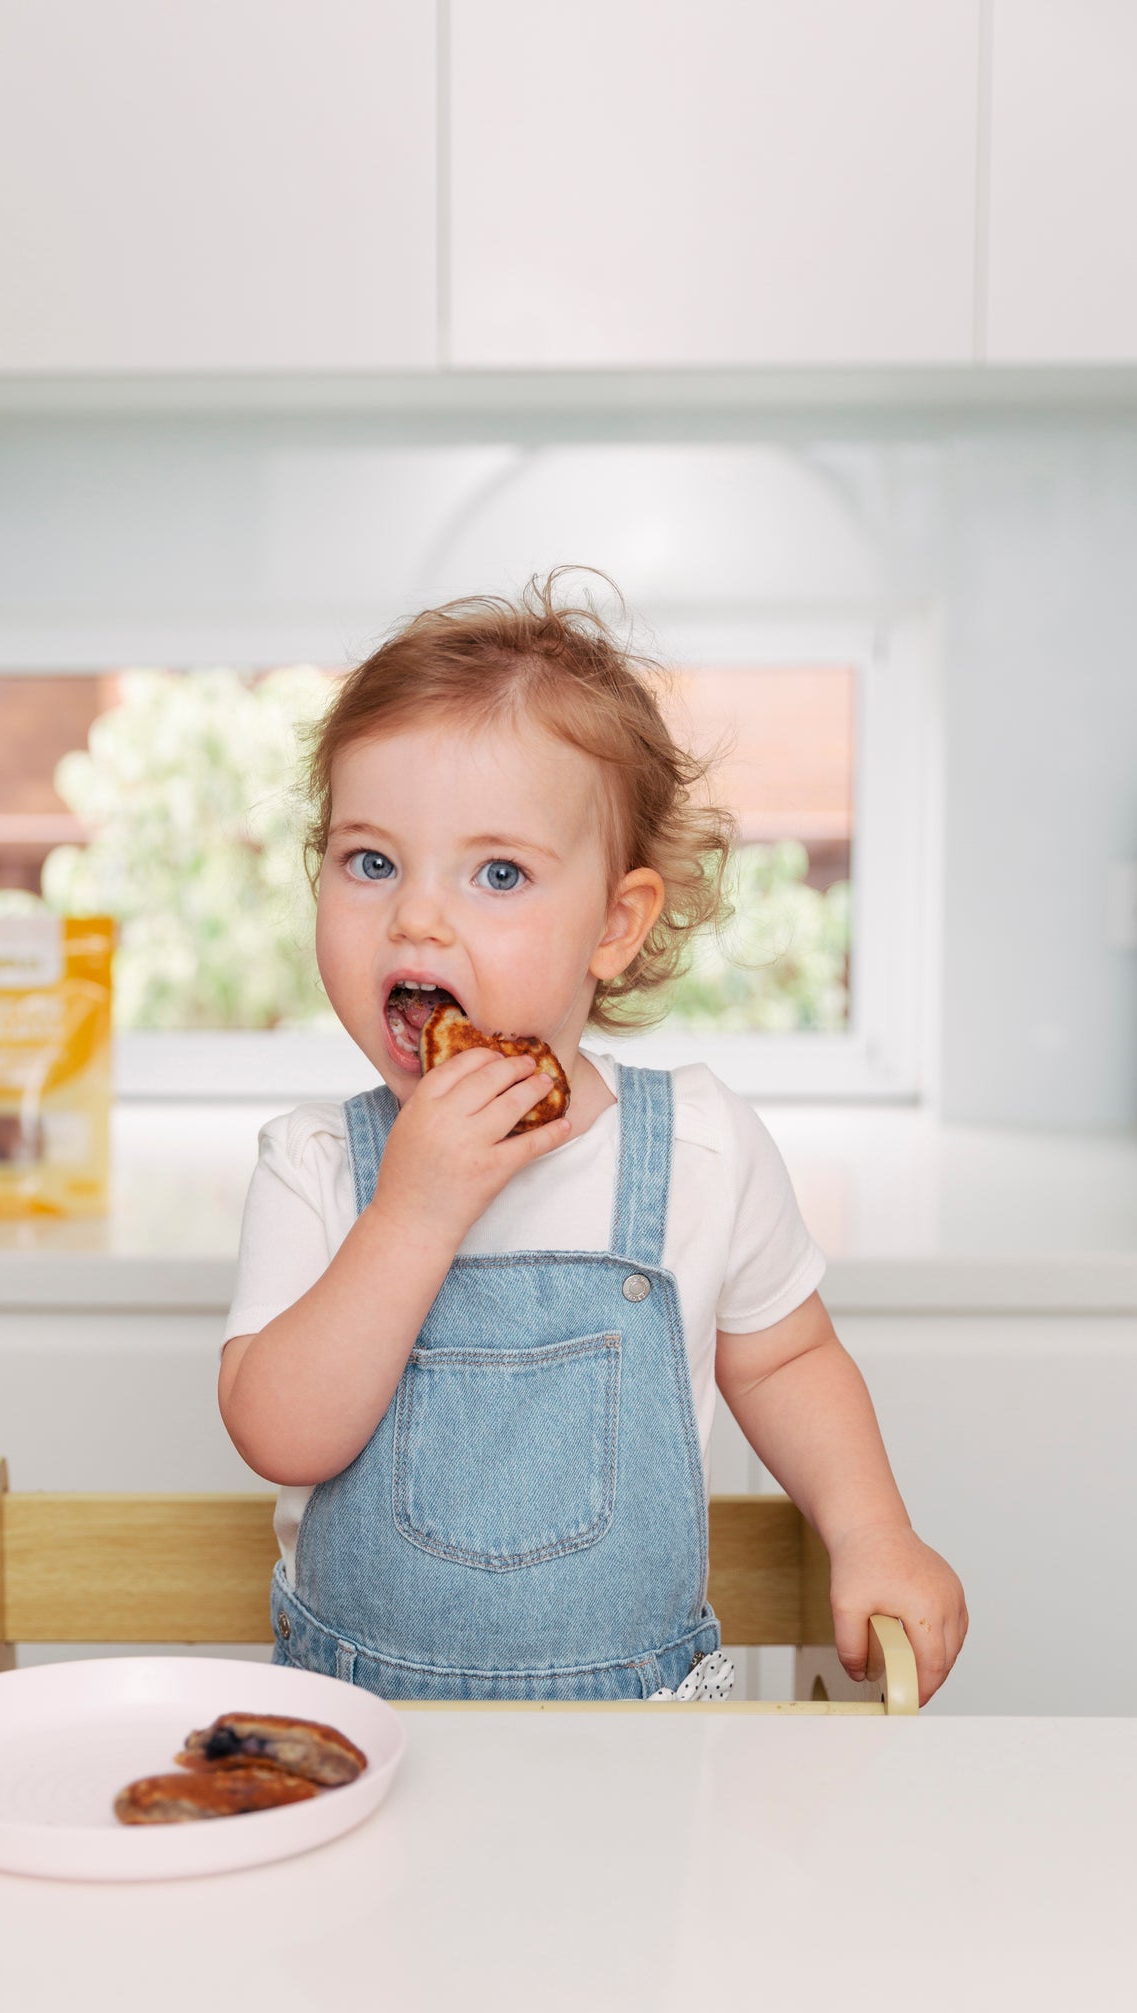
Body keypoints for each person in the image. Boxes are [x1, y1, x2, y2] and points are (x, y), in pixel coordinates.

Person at [218, 576, 966, 1704]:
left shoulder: (701, 1148)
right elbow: (280, 1433)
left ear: (613, 926)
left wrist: (873, 1531)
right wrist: (411, 1212)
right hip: (368, 1732)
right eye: (369, 861)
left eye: (498, 873)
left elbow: (788, 1359)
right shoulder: (316, 1164)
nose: (415, 916)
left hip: (644, 1743)